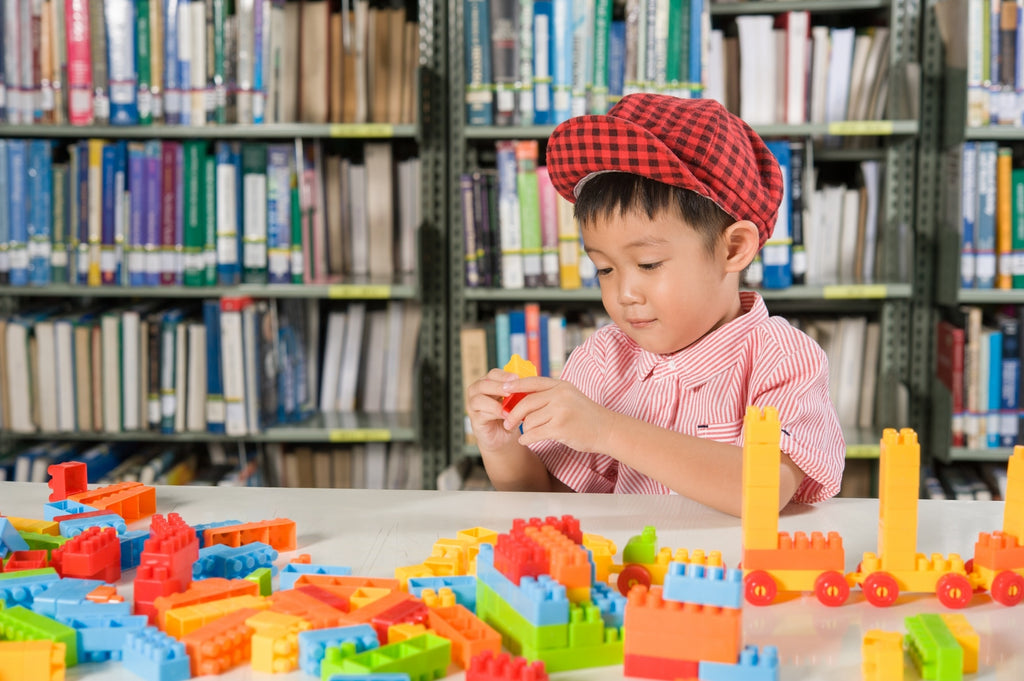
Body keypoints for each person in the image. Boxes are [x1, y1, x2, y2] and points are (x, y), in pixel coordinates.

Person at [465, 94, 845, 517]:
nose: (624, 292)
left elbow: (763, 490)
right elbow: (553, 500)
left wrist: (605, 429)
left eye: (648, 264)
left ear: (733, 248)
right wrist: (503, 449)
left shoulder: (783, 359)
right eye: (605, 270)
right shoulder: (601, 360)